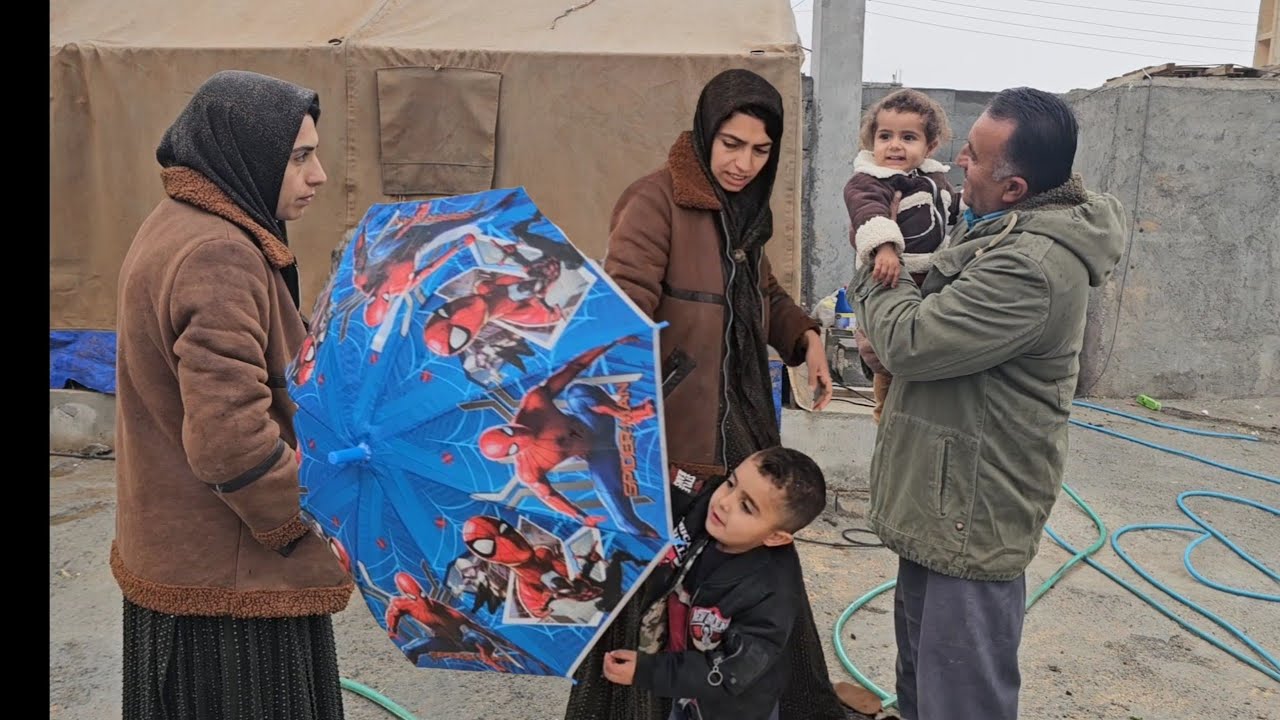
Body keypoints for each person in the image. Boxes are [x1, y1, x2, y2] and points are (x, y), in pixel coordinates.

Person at [563, 68, 846, 720]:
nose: (743, 163)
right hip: (669, 444)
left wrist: (805, 338)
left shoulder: (744, 213)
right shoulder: (655, 202)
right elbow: (622, 310)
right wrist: (632, 428)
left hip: (740, 439)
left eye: (760, 149)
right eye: (730, 143)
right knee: (651, 600)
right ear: (705, 132)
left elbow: (763, 297)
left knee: (748, 592)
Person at [850, 87, 1126, 720]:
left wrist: (874, 255)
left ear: (1014, 186)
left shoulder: (1029, 264)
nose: (957, 167)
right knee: (922, 683)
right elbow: (933, 346)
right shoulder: (996, 229)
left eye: (972, 158)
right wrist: (888, 344)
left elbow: (914, 340)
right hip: (943, 501)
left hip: (972, 511)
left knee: (961, 697)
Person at [112, 70, 354, 720]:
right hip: (229, 586)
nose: (319, 175)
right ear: (248, 154)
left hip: (194, 566)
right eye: (300, 156)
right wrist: (307, 522)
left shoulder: (182, 224)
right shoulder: (218, 255)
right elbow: (230, 440)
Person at [601, 446, 828, 720]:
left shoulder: (773, 594)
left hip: (733, 709)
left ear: (776, 538)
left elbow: (727, 674)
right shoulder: (707, 510)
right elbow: (672, 486)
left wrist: (648, 671)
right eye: (731, 483)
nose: (724, 502)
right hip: (685, 690)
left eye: (746, 506)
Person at [842, 88, 960, 423]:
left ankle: (910, 418)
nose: (894, 145)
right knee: (885, 360)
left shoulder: (933, 180)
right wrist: (886, 247)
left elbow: (952, 210)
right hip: (889, 276)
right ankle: (885, 418)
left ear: (930, 146)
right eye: (885, 136)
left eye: (908, 137)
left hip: (926, 281)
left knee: (916, 357)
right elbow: (870, 213)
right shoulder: (870, 180)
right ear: (871, 142)